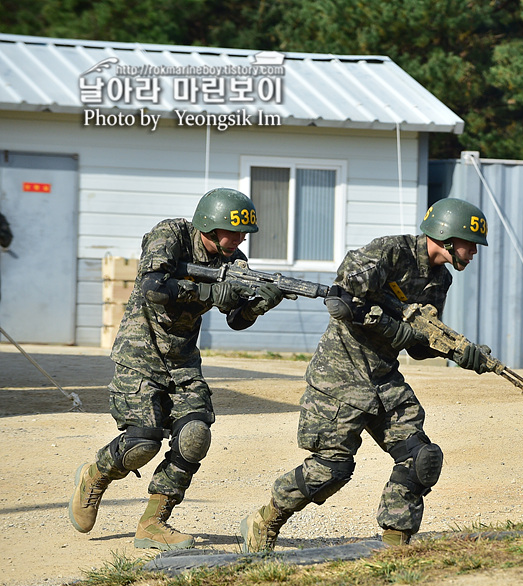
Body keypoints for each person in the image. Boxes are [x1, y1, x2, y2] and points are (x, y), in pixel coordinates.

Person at [238, 197, 492, 552]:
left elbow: (419, 344)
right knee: (331, 470)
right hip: (339, 378)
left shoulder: (439, 280)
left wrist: (460, 352)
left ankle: (394, 543)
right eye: (471, 244)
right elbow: (342, 299)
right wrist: (395, 329)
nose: (474, 253)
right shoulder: (391, 252)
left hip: (384, 379)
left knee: (421, 458)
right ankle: (266, 519)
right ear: (448, 236)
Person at [69, 188, 286, 550]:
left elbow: (235, 319)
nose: (240, 240)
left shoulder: (235, 262)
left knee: (194, 436)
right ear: (210, 227)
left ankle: (153, 523)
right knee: (142, 443)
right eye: (232, 232)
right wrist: (208, 294)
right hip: (140, 355)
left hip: (183, 361)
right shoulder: (169, 236)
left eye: (244, 234)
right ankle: (95, 475)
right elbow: (154, 287)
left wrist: (260, 304)